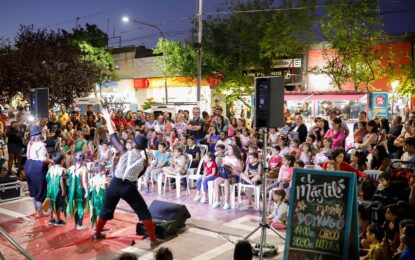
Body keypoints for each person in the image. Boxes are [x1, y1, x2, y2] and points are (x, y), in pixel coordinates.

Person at [93, 108, 159, 247]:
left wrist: (107, 119)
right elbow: (139, 176)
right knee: (143, 211)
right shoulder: (144, 161)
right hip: (129, 186)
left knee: (106, 209)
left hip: (115, 184)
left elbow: (113, 136)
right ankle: (153, 240)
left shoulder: (124, 152)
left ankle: (97, 234)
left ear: (134, 144)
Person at [24, 125, 54, 217]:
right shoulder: (40, 144)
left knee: (33, 189)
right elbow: (42, 159)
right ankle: (40, 212)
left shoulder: (30, 143)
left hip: (28, 165)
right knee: (40, 189)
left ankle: (37, 210)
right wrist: (51, 161)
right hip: (37, 167)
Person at [45, 152, 67, 226]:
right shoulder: (62, 170)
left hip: (50, 189)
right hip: (57, 190)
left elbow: (47, 178)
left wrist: (48, 187)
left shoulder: (51, 168)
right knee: (58, 205)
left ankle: (51, 219)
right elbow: (61, 181)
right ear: (62, 161)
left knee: (51, 204)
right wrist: (64, 190)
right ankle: (57, 220)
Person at [68, 152, 88, 230]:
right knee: (81, 207)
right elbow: (84, 181)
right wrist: (86, 191)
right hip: (80, 190)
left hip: (72, 191)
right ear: (83, 159)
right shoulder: (83, 169)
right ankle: (79, 224)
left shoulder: (70, 168)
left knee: (76, 206)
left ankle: (76, 224)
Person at [88, 162, 107, 229]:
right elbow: (105, 188)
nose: (105, 170)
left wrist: (90, 199)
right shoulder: (103, 179)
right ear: (101, 171)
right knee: (101, 213)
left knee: (94, 212)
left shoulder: (92, 179)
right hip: (101, 198)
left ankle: (95, 226)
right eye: (104, 169)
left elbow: (89, 190)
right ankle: (99, 226)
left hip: (94, 198)